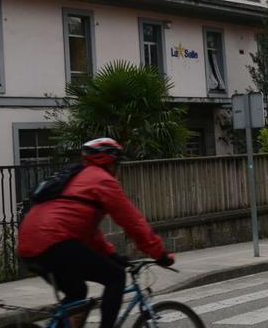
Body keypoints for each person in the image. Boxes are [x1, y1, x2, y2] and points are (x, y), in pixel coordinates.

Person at [17, 138, 174, 328]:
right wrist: (159, 253)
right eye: (116, 164)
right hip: (55, 242)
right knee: (116, 277)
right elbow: (132, 221)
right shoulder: (103, 180)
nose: (117, 169)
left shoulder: (76, 177)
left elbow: (89, 232)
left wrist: (111, 255)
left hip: (29, 245)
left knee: (77, 293)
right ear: (108, 161)